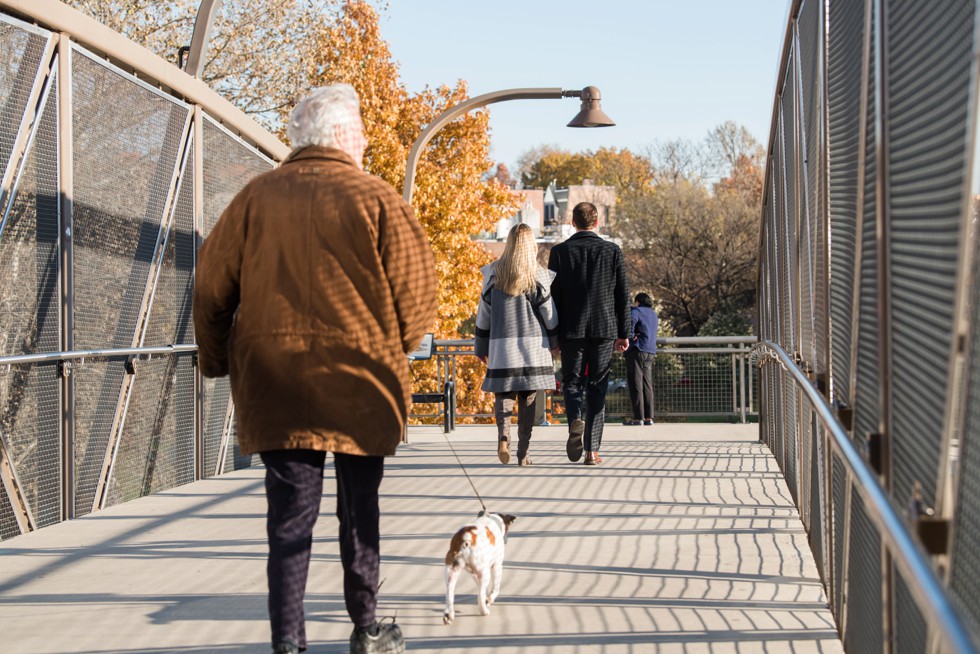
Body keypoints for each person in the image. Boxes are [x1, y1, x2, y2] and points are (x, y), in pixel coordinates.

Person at [193, 84, 437, 654]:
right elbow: (418, 297)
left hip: (275, 379)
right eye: (360, 131)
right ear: (342, 137)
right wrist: (392, 345)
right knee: (360, 510)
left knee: (289, 520)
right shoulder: (378, 199)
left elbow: (210, 287)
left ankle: (289, 642)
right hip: (358, 382)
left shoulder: (254, 198)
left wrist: (216, 359)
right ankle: (368, 626)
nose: (367, 140)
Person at [547, 202, 630, 466]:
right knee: (597, 387)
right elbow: (622, 296)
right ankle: (592, 451)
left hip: (571, 329)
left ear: (573, 222)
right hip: (605, 329)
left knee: (571, 383)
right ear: (597, 223)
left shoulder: (559, 252)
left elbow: (553, 297)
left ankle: (575, 420)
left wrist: (554, 335)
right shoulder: (612, 251)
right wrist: (624, 332)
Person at [475, 223, 558, 466]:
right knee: (528, 399)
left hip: (502, 347)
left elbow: (484, 315)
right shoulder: (538, 275)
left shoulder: (494, 275)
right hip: (533, 348)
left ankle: (503, 436)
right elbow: (549, 314)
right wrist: (555, 342)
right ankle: (524, 453)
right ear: (530, 245)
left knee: (504, 394)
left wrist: (481, 347)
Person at [624, 293, 659, 426]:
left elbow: (631, 324)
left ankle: (638, 417)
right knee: (647, 384)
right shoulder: (653, 314)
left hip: (637, 349)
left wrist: (630, 335)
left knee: (635, 383)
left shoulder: (636, 311)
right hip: (650, 350)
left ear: (638, 301)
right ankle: (649, 417)